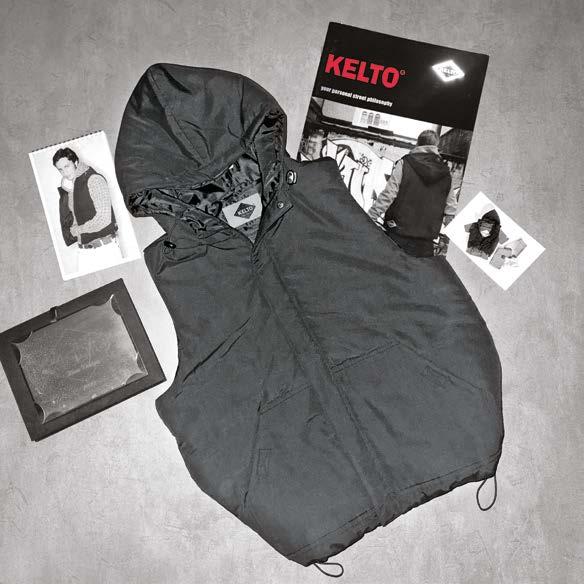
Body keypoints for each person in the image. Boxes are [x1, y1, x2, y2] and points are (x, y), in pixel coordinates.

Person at [367, 129, 458, 257]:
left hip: (397, 235)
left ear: (418, 143)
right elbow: (451, 211)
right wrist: (449, 242)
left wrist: (370, 217)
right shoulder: (445, 172)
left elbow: (388, 194)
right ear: (436, 146)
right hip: (425, 244)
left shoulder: (405, 163)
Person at [53, 147, 122, 273]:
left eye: (67, 166)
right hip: (85, 251)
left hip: (105, 249)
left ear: (75, 162)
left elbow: (104, 218)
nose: (64, 172)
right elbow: (75, 218)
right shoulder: (72, 187)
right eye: (60, 169)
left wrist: (76, 230)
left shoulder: (94, 179)